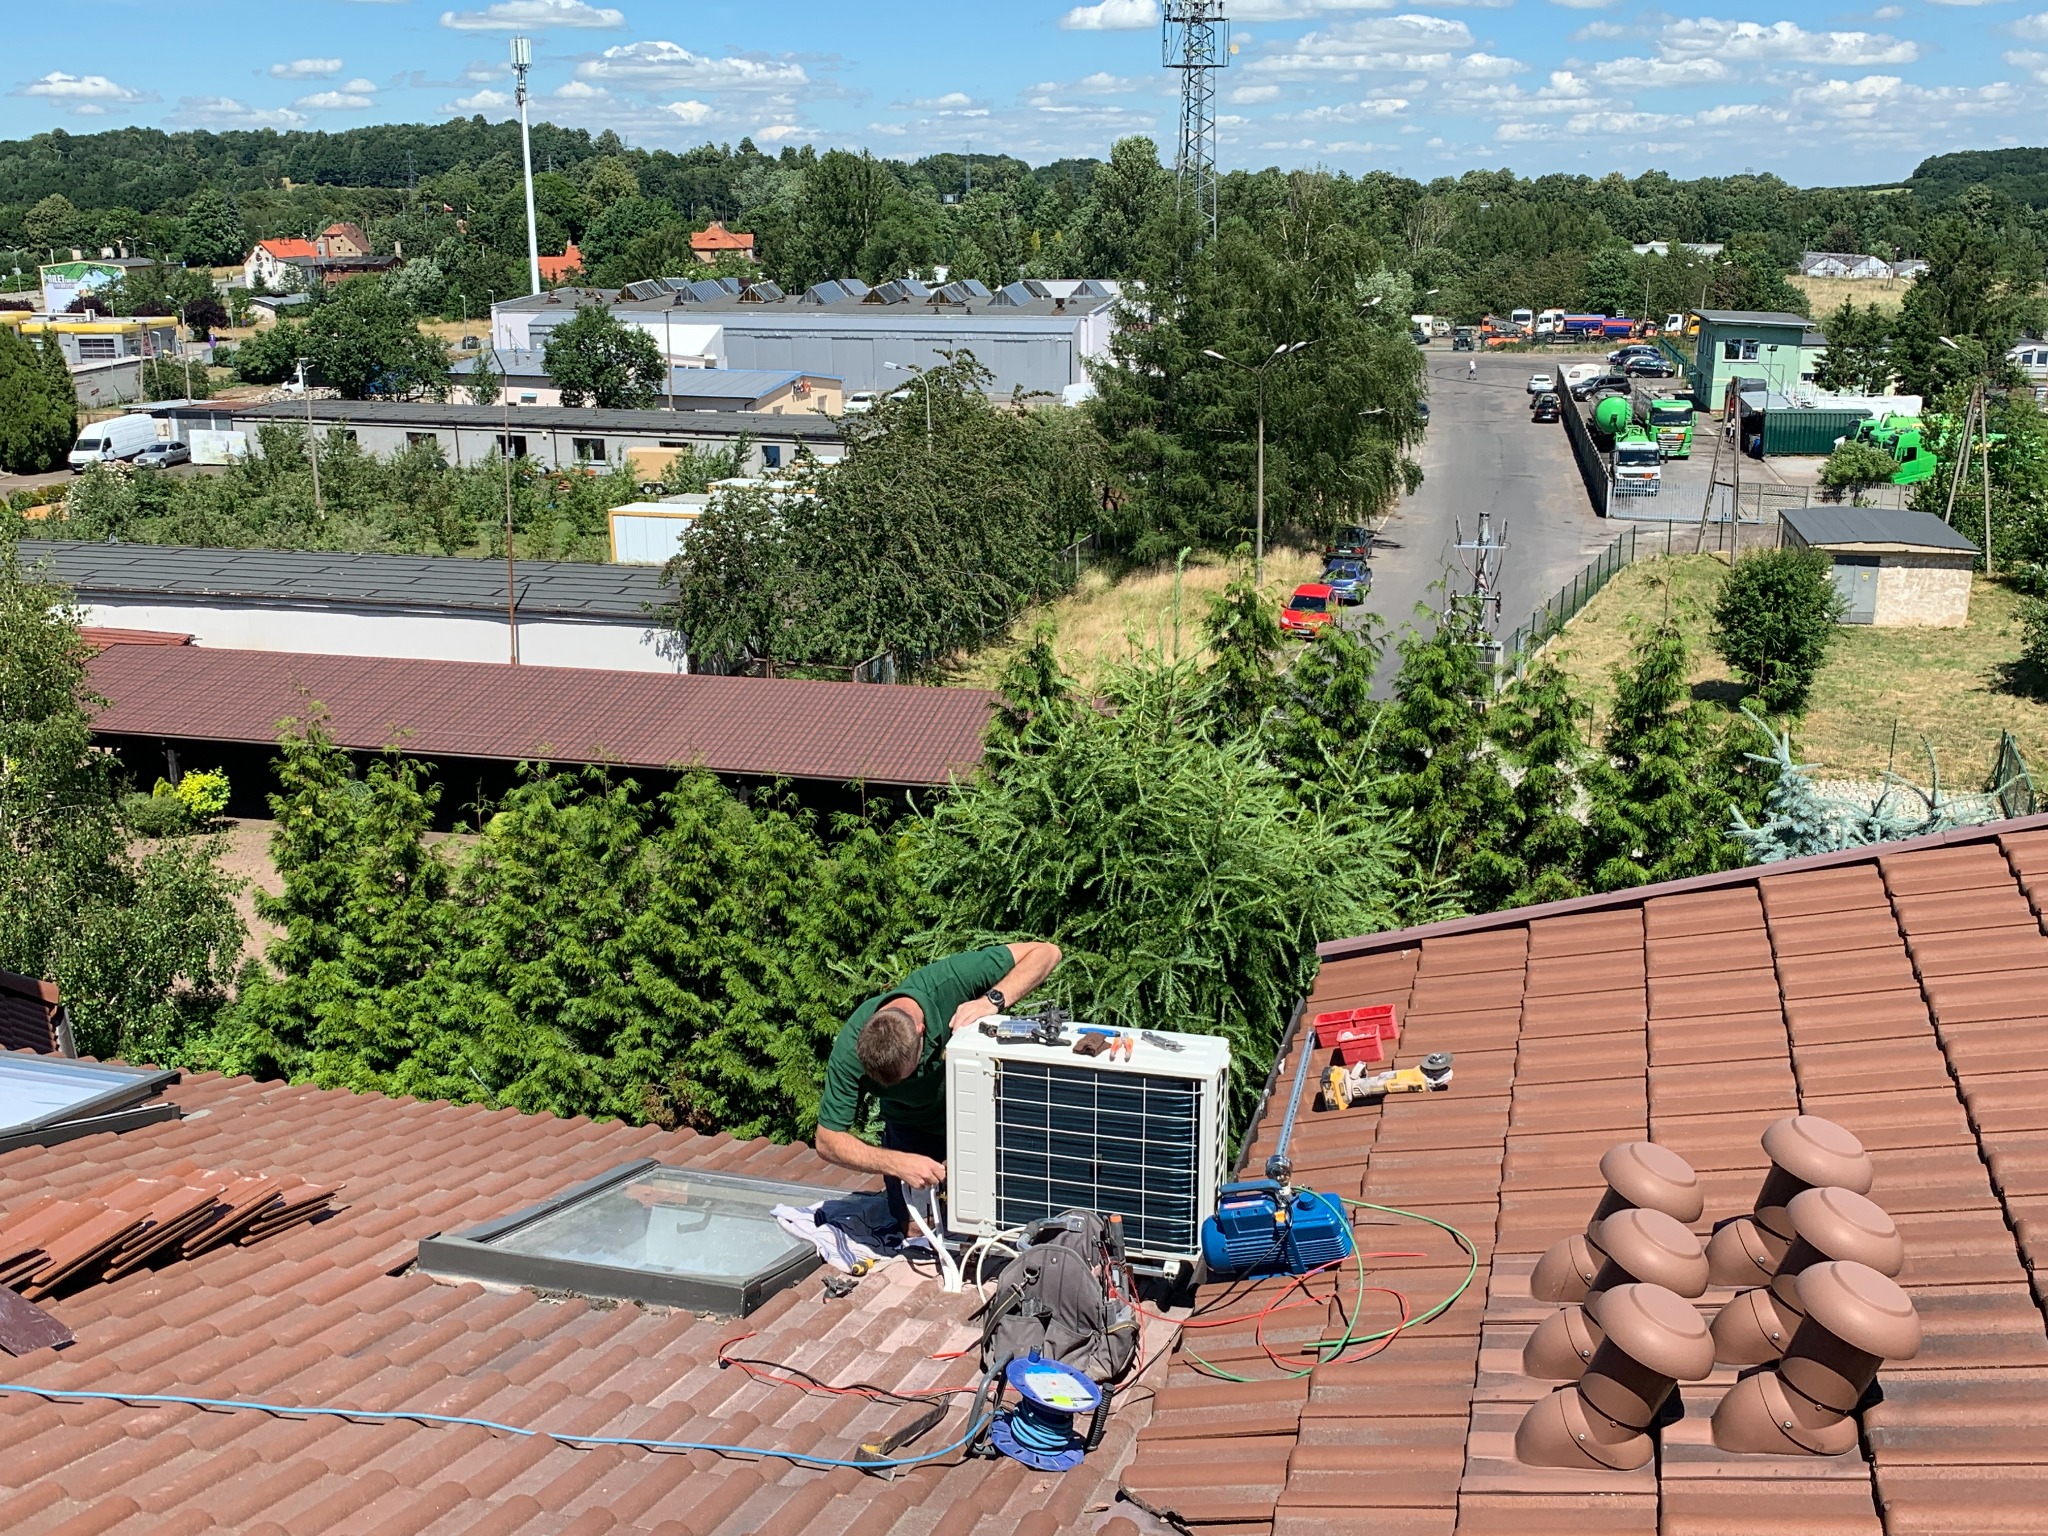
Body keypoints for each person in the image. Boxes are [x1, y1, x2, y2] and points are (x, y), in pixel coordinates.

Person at [814, 942, 1063, 1233]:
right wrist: (896, 1163)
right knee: (919, 1231)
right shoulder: (849, 1051)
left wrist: (991, 1000)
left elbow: (1047, 952)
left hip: (986, 1116)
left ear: (921, 1031)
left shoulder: (950, 980)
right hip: (914, 1128)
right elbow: (827, 1140)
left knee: (1004, 1222)